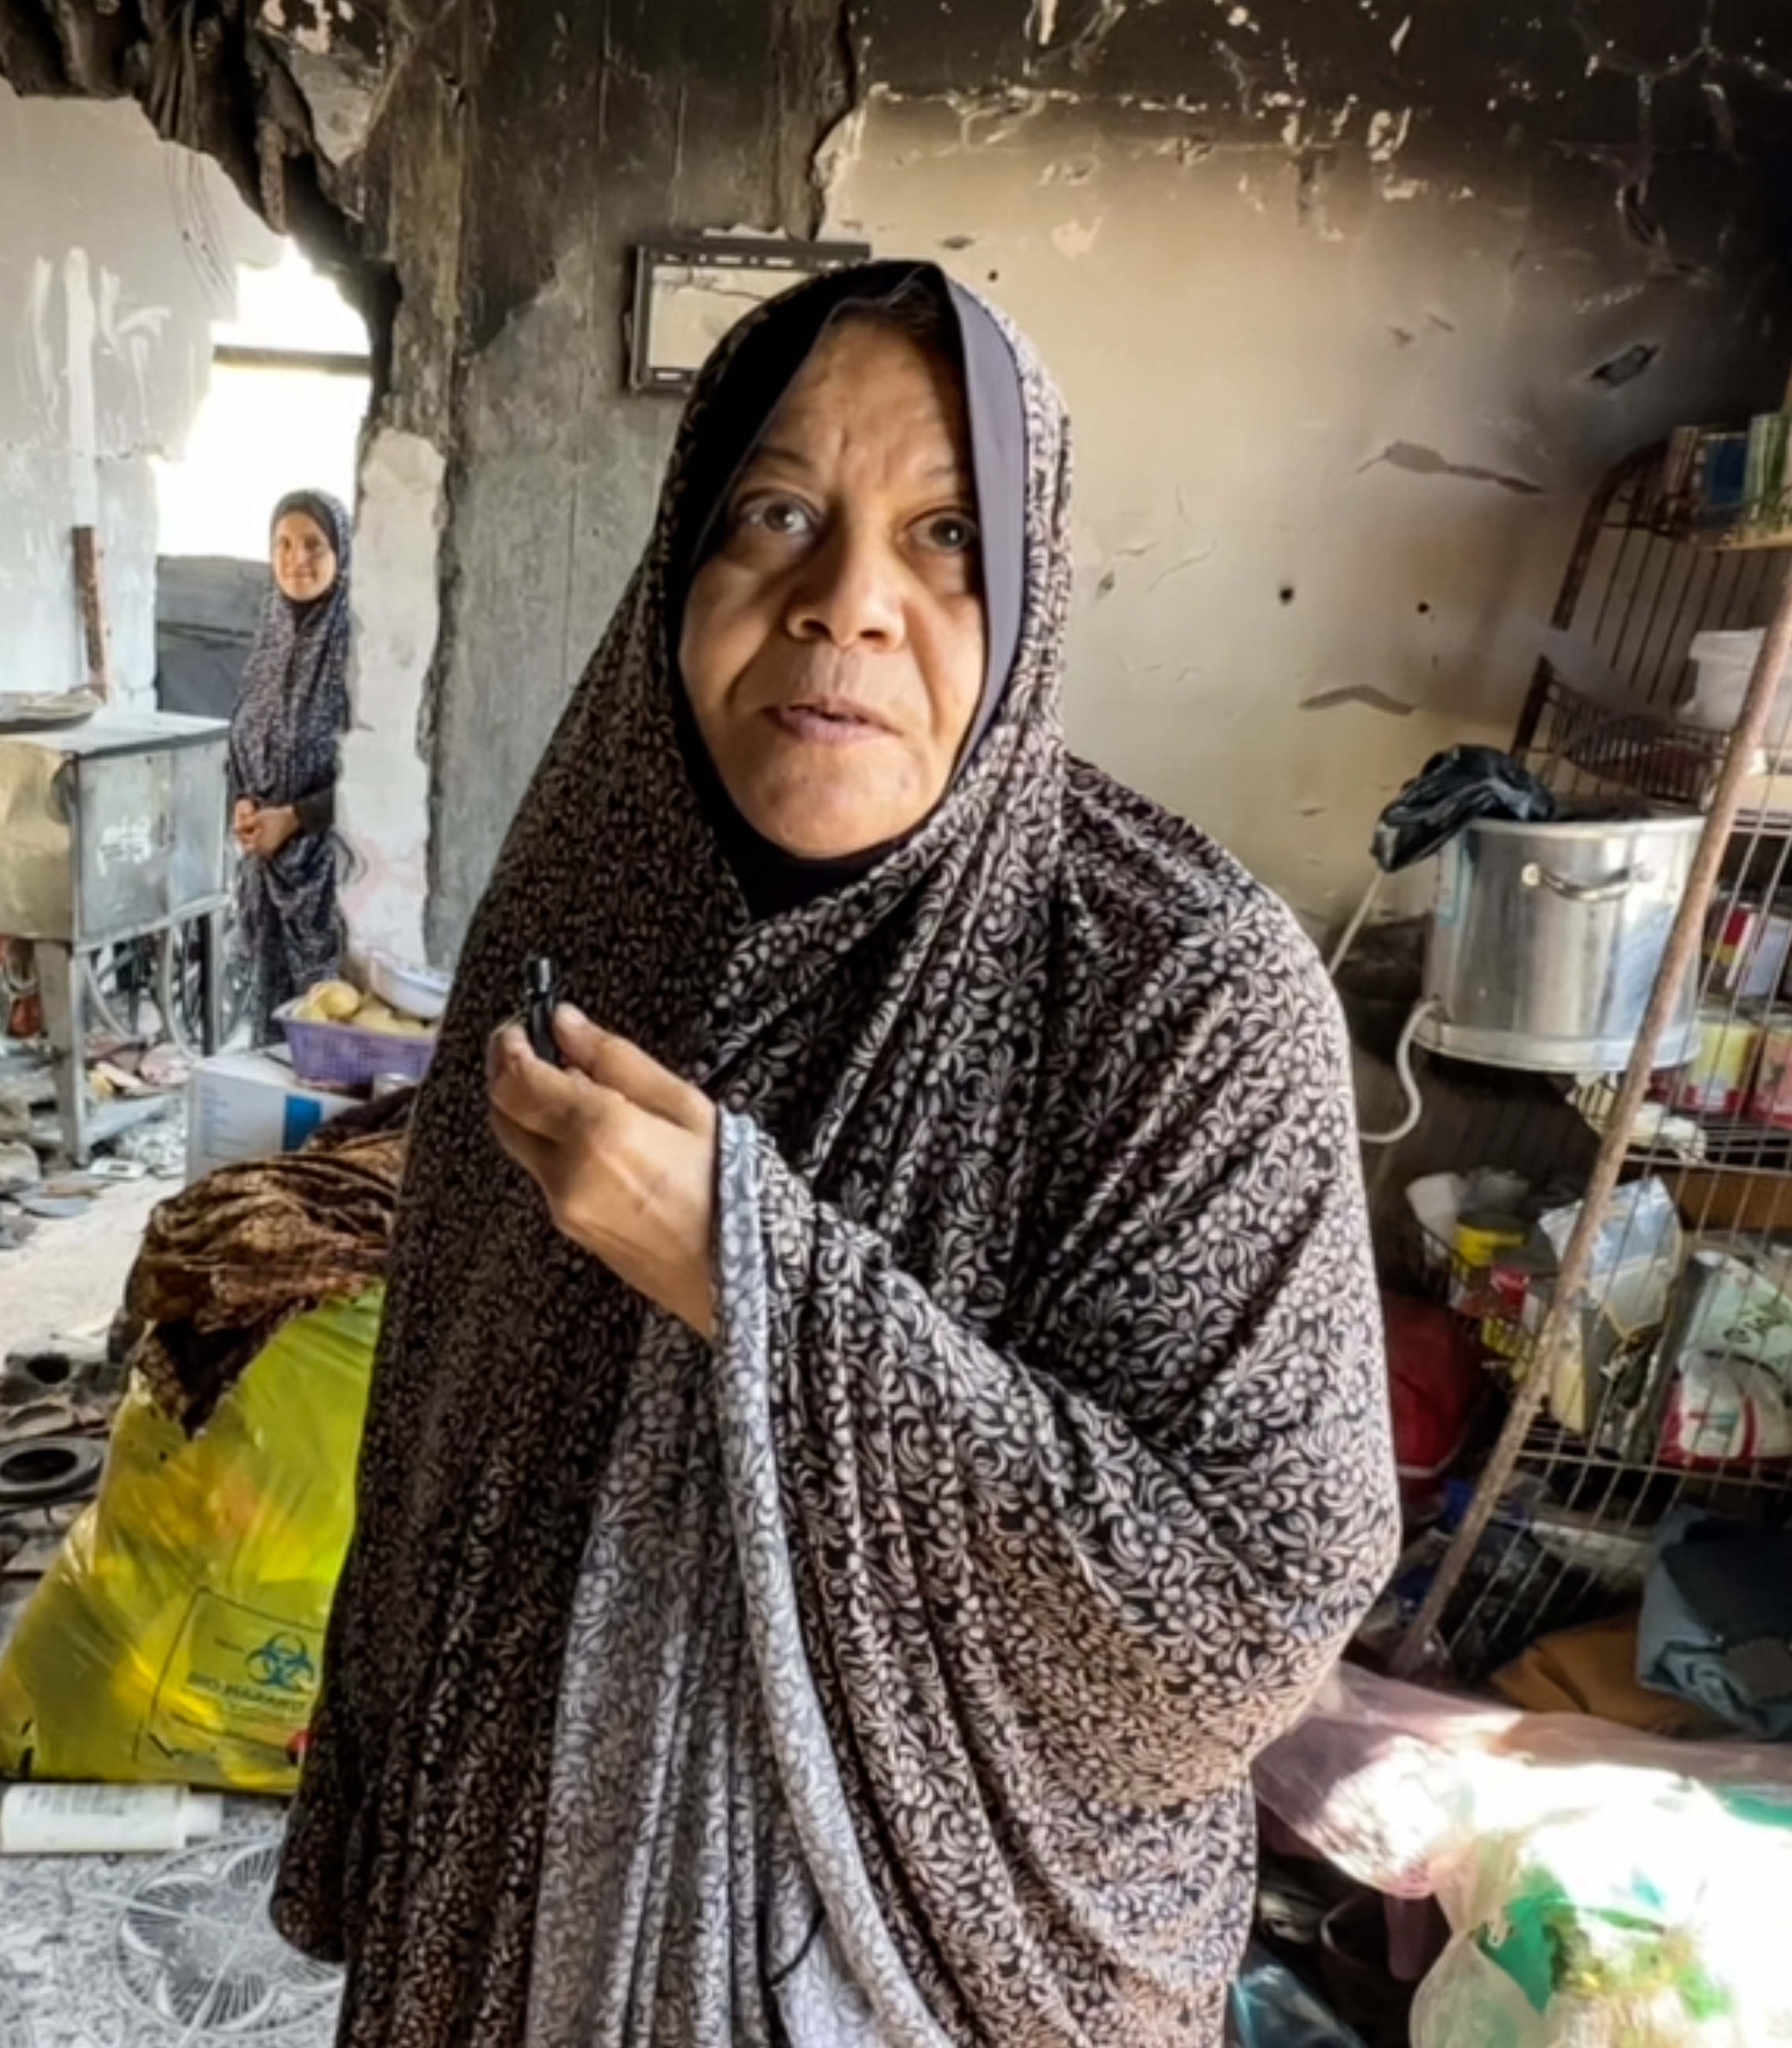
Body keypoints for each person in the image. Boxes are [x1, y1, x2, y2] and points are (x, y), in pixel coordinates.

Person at [271, 262, 1399, 2045]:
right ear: (682, 562)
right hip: (512, 1908)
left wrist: (749, 1269)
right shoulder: (585, 894)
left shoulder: (1176, 986)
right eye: (776, 513)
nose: (841, 604)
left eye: (943, 534)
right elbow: (438, 1409)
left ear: (1029, 595)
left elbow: (1234, 1617)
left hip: (910, 1971)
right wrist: (376, 1804)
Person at [228, 491, 352, 1033]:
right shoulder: (271, 633)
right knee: (270, 1027)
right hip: (267, 869)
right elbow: (243, 733)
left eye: (313, 545)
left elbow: (373, 776)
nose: (296, 558)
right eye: (282, 544)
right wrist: (244, 804)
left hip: (330, 874)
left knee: (329, 1024)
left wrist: (297, 818)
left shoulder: (357, 642)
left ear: (341, 552)